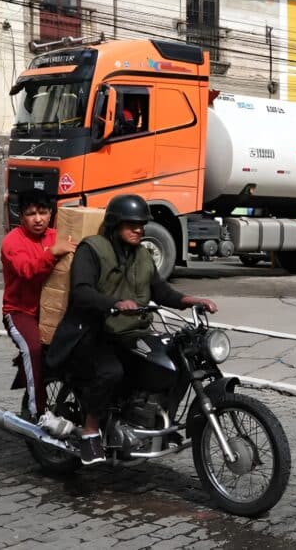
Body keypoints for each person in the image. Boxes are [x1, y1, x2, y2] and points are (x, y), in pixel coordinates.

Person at [46, 194, 217, 466]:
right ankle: (91, 431)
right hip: (89, 331)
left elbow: (160, 290)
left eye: (141, 224)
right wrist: (113, 303)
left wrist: (188, 300)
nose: (139, 229)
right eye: (131, 224)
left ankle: (151, 422)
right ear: (115, 224)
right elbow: (81, 292)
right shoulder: (92, 249)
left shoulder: (142, 255)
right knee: (110, 371)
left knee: (170, 361)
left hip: (127, 332)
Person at [0, 189, 77, 431]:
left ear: (51, 214)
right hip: (20, 313)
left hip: (51, 312)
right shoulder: (12, 241)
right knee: (32, 349)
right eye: (31, 213)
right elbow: (27, 270)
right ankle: (37, 415)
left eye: (43, 212)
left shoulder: (56, 235)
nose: (38, 219)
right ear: (21, 216)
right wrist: (53, 252)